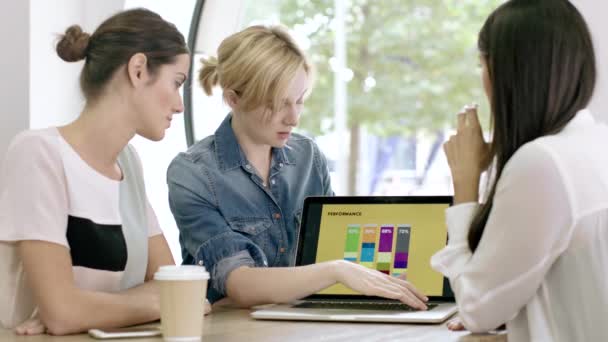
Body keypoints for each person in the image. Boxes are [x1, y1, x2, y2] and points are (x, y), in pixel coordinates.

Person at [167, 25, 428, 309]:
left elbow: (336, 243)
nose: (293, 118)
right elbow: (239, 284)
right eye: (278, 104)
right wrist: (336, 270)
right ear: (234, 99)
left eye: (300, 100)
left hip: (303, 323)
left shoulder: (308, 157)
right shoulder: (193, 174)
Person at [0, 8, 192, 335]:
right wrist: (154, 302)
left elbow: (173, 286)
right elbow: (63, 315)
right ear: (138, 69)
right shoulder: (38, 154)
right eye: (176, 83)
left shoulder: (128, 163)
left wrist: (84, 308)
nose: (179, 104)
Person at [430, 0, 607, 340]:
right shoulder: (596, 144)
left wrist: (465, 183)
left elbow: (477, 309)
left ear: (504, 74)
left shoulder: (543, 164)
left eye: (482, 65)